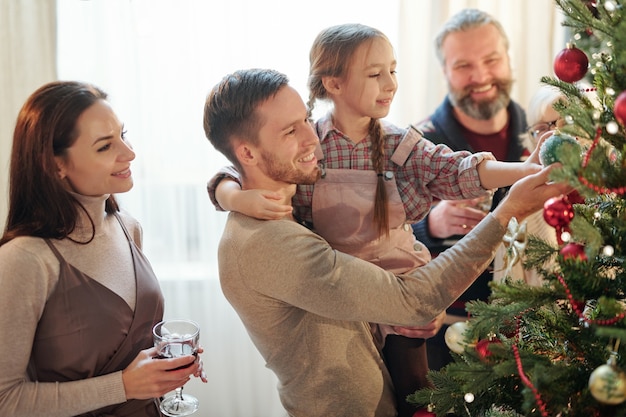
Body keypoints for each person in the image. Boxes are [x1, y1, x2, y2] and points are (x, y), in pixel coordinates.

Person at [209, 24, 543, 416]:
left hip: (400, 282)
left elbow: (456, 169)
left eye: (394, 70)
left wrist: (524, 171)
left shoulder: (397, 143)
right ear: (332, 84)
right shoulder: (308, 155)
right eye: (374, 74)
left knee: (417, 395)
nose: (390, 84)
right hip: (356, 294)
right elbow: (238, 165)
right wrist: (230, 193)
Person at [0, 81, 206, 417]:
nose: (129, 153)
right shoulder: (24, 261)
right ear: (55, 165)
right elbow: (5, 400)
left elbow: (122, 336)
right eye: (105, 146)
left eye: (124, 135)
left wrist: (169, 356)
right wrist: (123, 386)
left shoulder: (128, 227)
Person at [410, 8, 530, 372]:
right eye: (463, 66)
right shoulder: (415, 145)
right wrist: (428, 225)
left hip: (534, 333)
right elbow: (378, 238)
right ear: (444, 71)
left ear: (508, 60)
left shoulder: (540, 136)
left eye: (491, 60)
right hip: (448, 340)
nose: (480, 77)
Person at [493, 85, 565, 285]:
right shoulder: (520, 207)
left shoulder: (614, 199)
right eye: (541, 129)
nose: (554, 135)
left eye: (566, 122)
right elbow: (506, 297)